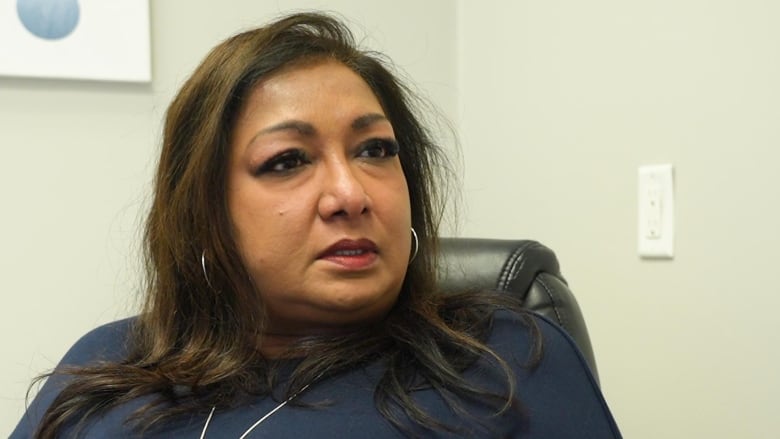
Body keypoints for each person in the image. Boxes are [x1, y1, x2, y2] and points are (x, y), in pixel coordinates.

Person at [12, 12, 622, 438]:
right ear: (205, 215)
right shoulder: (107, 362)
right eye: (288, 161)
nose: (350, 193)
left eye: (376, 150)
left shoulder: (505, 362)